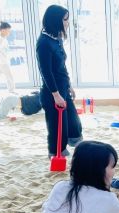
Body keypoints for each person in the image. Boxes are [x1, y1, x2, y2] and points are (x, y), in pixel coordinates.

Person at [36, 5, 82, 158]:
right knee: (57, 128)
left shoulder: (57, 38)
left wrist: (69, 86)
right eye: (65, 19)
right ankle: (56, 155)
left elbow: (62, 66)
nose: (67, 22)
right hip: (52, 92)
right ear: (55, 20)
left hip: (63, 88)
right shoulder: (43, 43)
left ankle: (72, 146)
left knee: (74, 124)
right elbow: (46, 72)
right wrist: (56, 95)